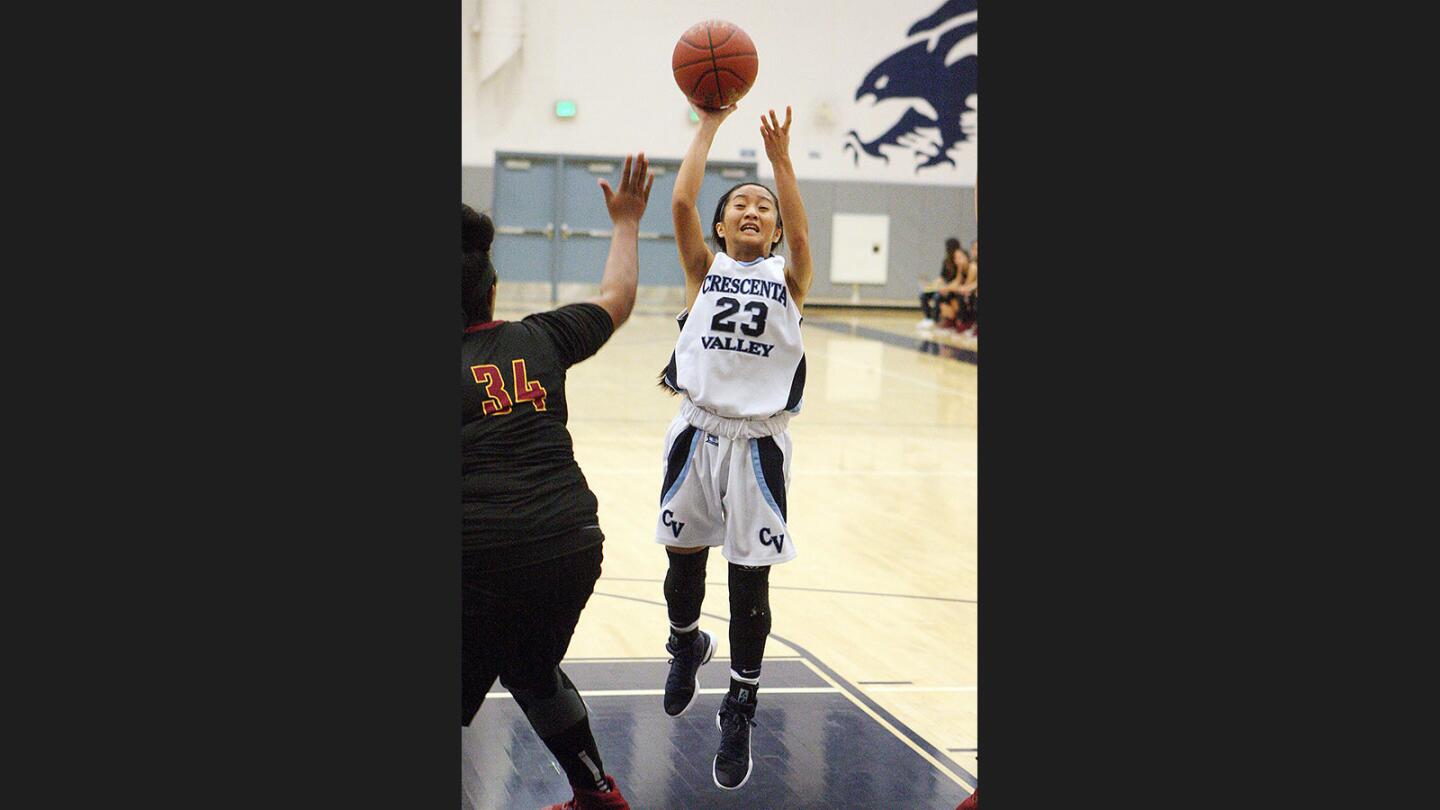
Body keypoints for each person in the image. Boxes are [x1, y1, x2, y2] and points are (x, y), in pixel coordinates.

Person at [461, 154, 654, 810]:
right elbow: (617, 300)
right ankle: (597, 794)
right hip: (571, 546)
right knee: (528, 665)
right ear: (492, 290)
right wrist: (626, 222)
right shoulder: (541, 337)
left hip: (482, 557)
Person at [655, 104, 812, 791]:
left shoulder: (790, 279)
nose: (752, 210)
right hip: (696, 433)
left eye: (763, 208)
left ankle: (740, 705)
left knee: (749, 583)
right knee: (682, 562)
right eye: (740, 204)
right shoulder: (704, 267)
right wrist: (711, 122)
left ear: (775, 230)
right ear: (721, 226)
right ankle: (685, 642)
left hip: (757, 448)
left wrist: (780, 163)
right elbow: (684, 197)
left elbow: (803, 231)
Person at [921, 237, 964, 327]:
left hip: (953, 290)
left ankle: (936, 320)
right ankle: (928, 318)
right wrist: (931, 285)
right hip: (945, 288)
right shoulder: (946, 261)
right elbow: (941, 277)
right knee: (923, 295)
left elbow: (959, 280)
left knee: (937, 297)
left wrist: (946, 288)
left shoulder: (960, 261)